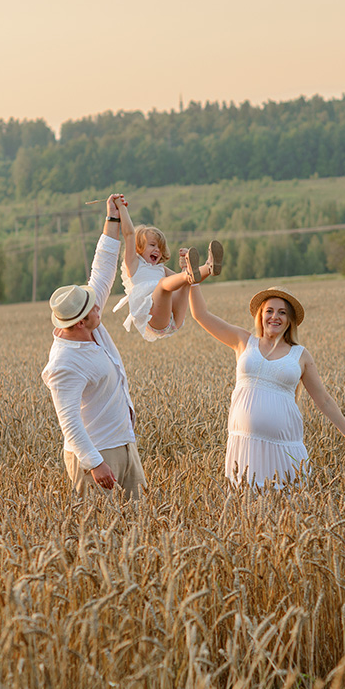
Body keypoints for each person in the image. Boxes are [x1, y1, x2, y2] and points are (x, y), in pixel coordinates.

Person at [188, 283, 345, 488]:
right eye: (269, 311)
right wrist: (193, 281)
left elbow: (324, 400)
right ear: (260, 315)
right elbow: (201, 314)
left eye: (282, 312)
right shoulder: (243, 341)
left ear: (289, 321)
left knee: (286, 508)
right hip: (245, 445)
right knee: (246, 510)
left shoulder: (300, 355)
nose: (274, 317)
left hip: (284, 449)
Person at [41, 194, 146, 500]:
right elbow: (69, 422)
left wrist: (111, 218)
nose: (100, 306)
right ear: (78, 324)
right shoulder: (64, 364)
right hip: (98, 456)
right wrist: (95, 464)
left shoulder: (88, 323)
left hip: (124, 444)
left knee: (140, 528)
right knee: (102, 534)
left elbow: (101, 270)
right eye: (94, 309)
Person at [111, 196, 223, 342]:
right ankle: (189, 270)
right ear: (138, 247)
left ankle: (209, 266)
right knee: (164, 284)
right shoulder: (133, 264)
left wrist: (185, 268)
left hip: (173, 319)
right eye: (152, 245)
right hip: (153, 320)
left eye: (160, 247)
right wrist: (122, 208)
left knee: (185, 280)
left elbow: (183, 280)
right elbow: (129, 234)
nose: (157, 250)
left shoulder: (160, 269)